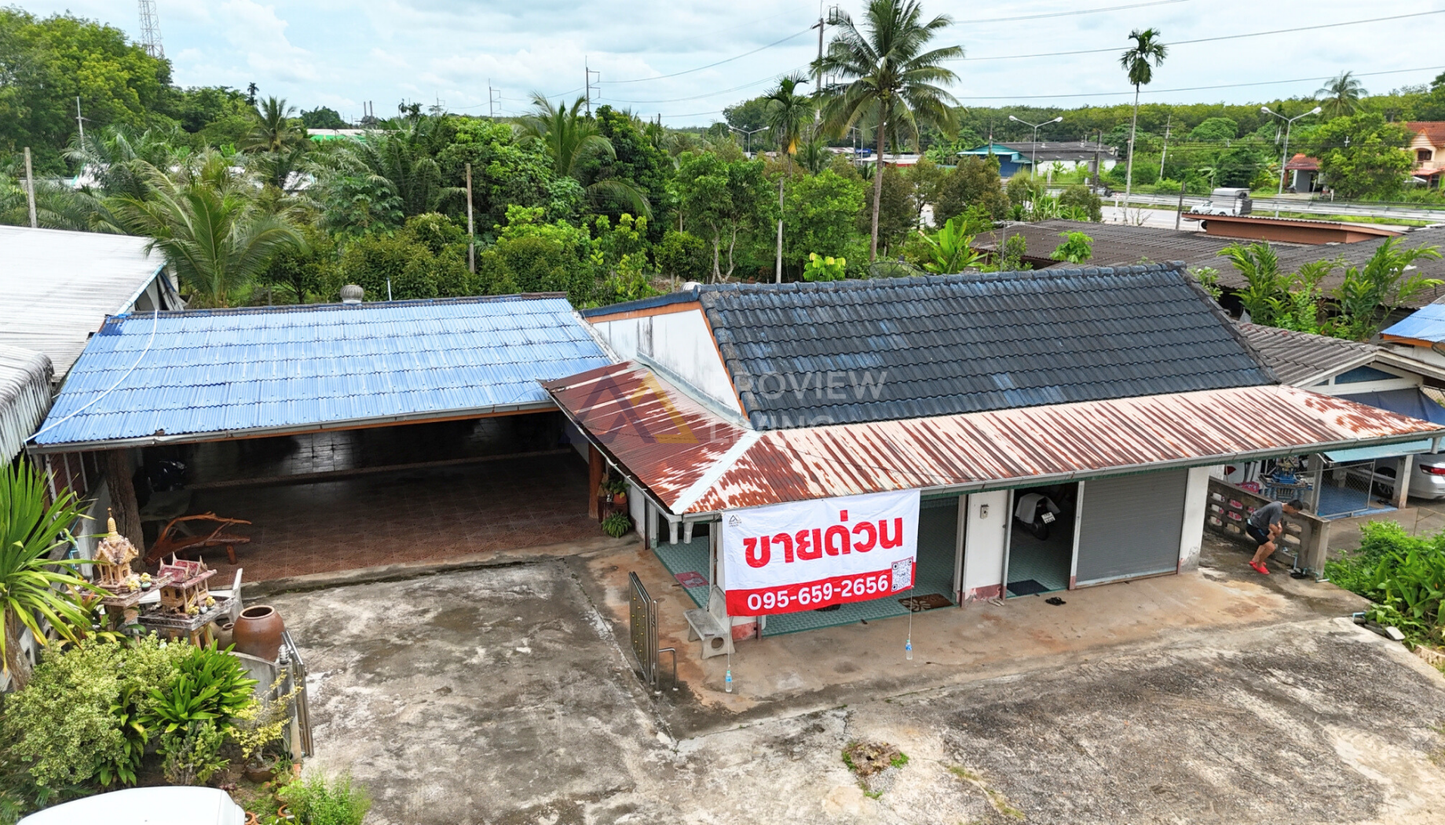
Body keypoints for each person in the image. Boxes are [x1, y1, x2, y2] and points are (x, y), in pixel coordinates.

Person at [1246, 498, 1307, 574]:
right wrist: (1278, 532)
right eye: (1295, 511)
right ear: (1291, 508)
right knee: (1271, 548)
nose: (1294, 513)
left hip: (1257, 524)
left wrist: (1279, 525)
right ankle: (1259, 564)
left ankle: (1255, 559)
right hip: (1254, 527)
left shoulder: (1278, 504)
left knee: (1270, 537)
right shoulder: (1278, 510)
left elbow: (1275, 519)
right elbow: (1271, 525)